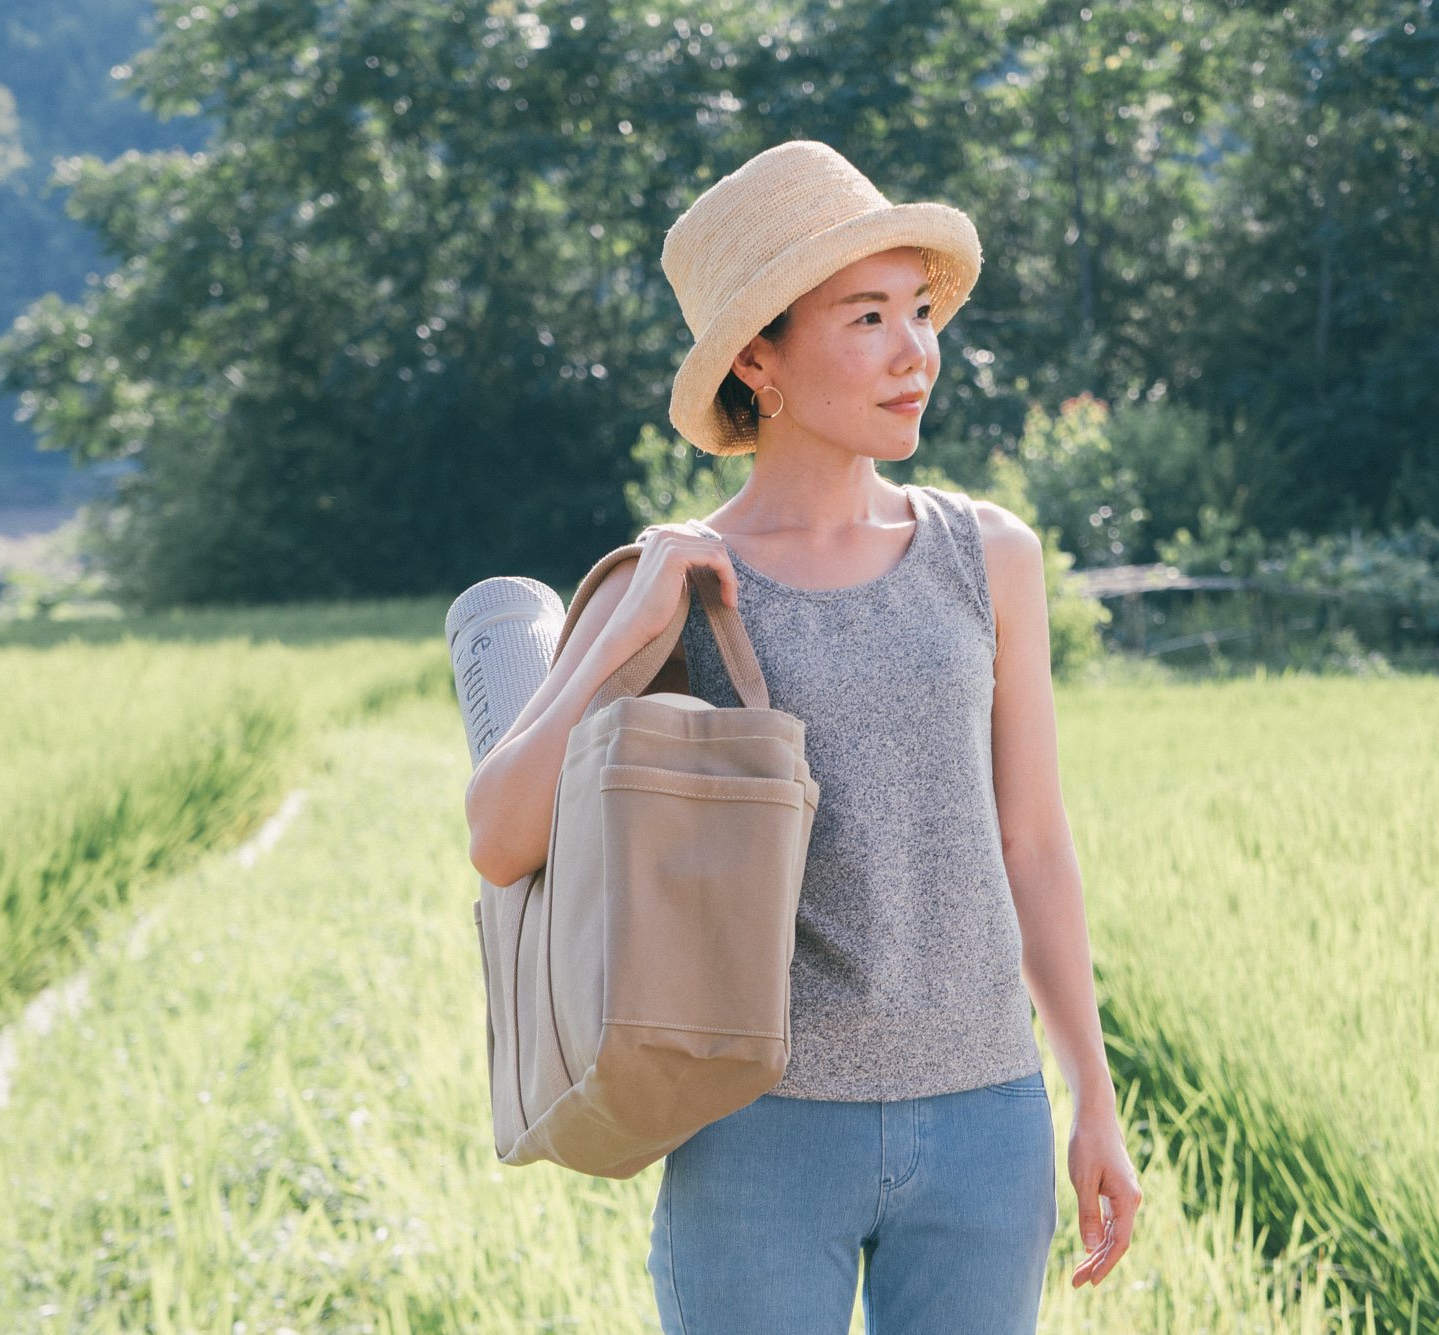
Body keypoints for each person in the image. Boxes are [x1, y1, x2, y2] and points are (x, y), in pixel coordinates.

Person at [464, 140, 1141, 1333]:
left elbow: (1029, 841)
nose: (912, 351)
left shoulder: (988, 556)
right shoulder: (677, 577)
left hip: (985, 1121)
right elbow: (499, 835)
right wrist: (627, 624)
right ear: (757, 361)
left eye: (920, 314)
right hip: (759, 1134)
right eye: (866, 317)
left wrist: (1090, 1091)